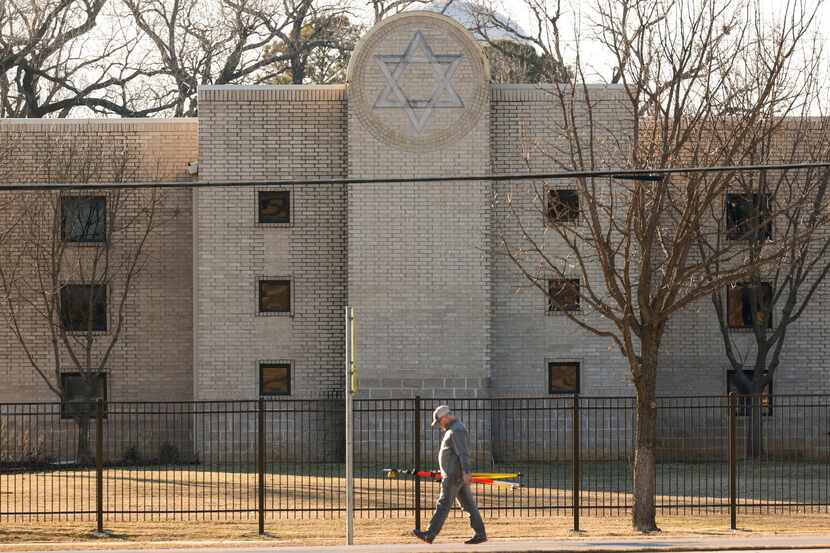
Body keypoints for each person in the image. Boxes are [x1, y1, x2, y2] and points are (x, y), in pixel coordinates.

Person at [412, 405, 487, 544]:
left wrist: (466, 472)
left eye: (439, 422)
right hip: (455, 475)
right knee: (469, 506)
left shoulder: (456, 430)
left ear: (445, 417)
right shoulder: (453, 429)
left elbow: (463, 453)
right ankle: (480, 534)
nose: (439, 425)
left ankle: (430, 534)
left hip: (454, 476)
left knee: (443, 504)